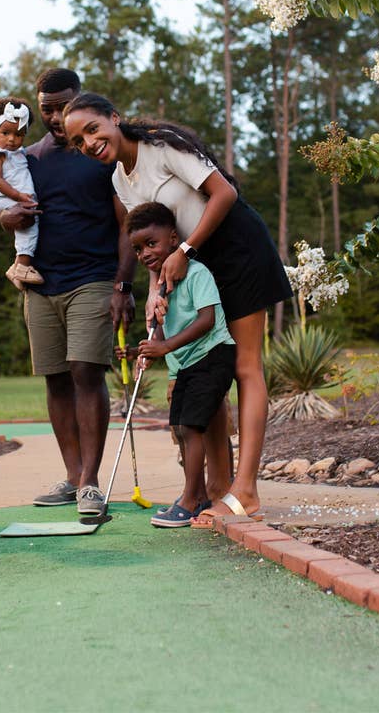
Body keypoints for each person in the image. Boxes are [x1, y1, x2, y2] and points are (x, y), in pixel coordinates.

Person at [63, 92, 292, 523]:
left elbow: (223, 193)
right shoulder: (119, 181)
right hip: (194, 266)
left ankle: (246, 491)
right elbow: (154, 238)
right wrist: (153, 290)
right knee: (211, 371)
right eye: (78, 141)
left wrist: (185, 248)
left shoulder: (161, 146)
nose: (89, 143)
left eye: (92, 129)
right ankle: (218, 488)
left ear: (114, 118)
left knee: (245, 367)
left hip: (236, 249)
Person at [0, 68, 136, 516]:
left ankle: (92, 483)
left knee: (85, 371)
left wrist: (123, 284)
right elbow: (9, 210)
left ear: (80, 102)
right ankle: (74, 476)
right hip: (40, 284)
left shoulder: (100, 155)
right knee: (56, 378)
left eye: (63, 107)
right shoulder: (28, 159)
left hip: (93, 279)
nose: (56, 117)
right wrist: (7, 219)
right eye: (48, 110)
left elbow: (126, 223)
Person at [122, 202, 236, 527]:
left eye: (151, 243)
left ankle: (191, 498)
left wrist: (166, 346)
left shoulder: (197, 273)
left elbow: (207, 319)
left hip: (213, 354)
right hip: (187, 362)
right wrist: (141, 350)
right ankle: (195, 496)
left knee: (191, 427)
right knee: (181, 429)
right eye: (137, 249)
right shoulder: (160, 288)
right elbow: (162, 331)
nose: (144, 253)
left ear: (174, 240)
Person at [0, 95, 44, 290]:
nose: (12, 139)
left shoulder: (20, 153)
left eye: (19, 134)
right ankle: (22, 266)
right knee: (29, 227)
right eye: (5, 133)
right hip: (9, 199)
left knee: (29, 228)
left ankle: (15, 267)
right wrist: (18, 196)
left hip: (20, 198)